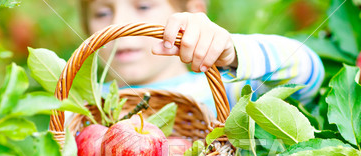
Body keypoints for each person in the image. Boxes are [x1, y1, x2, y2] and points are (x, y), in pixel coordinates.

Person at [79, 0, 324, 117]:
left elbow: (308, 75)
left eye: (143, 7)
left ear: (192, 11)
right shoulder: (78, 109)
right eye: (102, 12)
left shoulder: (227, 94)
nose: (118, 24)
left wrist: (233, 52)